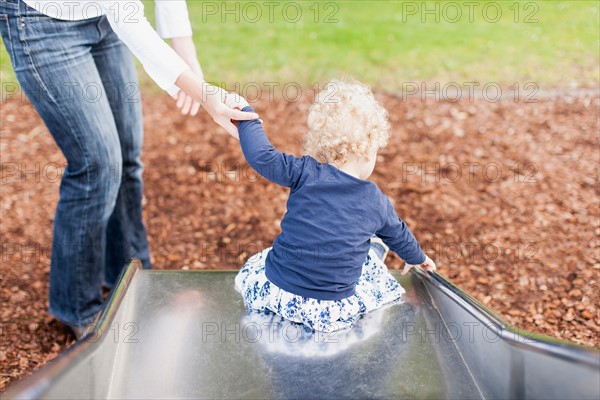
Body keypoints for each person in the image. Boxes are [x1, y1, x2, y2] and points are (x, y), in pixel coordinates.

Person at [0, 0, 258, 338]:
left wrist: (187, 56)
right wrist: (202, 93)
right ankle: (78, 308)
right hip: (40, 20)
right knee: (98, 164)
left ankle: (131, 278)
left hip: (103, 18)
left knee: (126, 156)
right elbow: (126, 13)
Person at [227, 80, 436, 332]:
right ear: (370, 151)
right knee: (370, 266)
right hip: (329, 309)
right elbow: (398, 234)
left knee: (268, 258)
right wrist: (419, 258)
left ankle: (372, 247)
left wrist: (246, 115)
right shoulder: (376, 200)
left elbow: (262, 156)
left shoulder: (304, 172)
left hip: (278, 292)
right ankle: (374, 249)